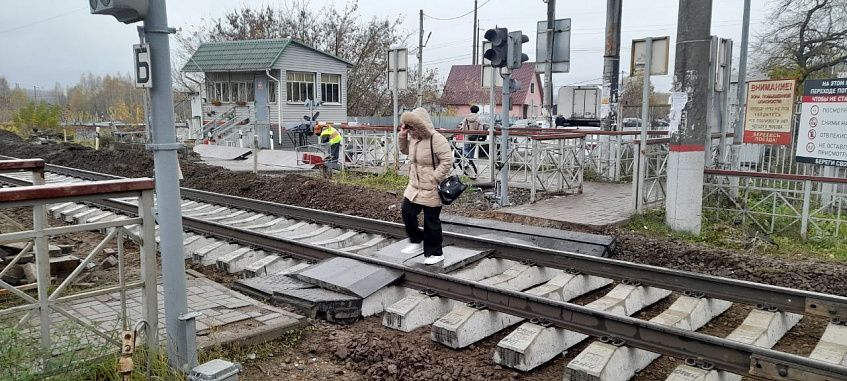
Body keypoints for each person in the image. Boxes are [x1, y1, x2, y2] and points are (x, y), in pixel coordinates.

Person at [398, 108, 454, 265]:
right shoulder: (414, 139)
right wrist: (403, 135)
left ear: (421, 126)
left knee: (431, 221)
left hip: (431, 187)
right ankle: (416, 240)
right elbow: (404, 150)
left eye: (412, 127)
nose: (411, 131)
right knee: (407, 211)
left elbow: (447, 160)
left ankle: (435, 253)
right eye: (409, 128)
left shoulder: (436, 139)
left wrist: (435, 177)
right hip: (415, 186)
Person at [459, 105, 481, 179]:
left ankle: (466, 160)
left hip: (467, 136)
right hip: (475, 136)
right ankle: (470, 161)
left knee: (466, 149)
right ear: (477, 111)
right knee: (473, 149)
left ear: (471, 110)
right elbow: (480, 128)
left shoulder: (466, 118)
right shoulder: (478, 118)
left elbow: (462, 127)